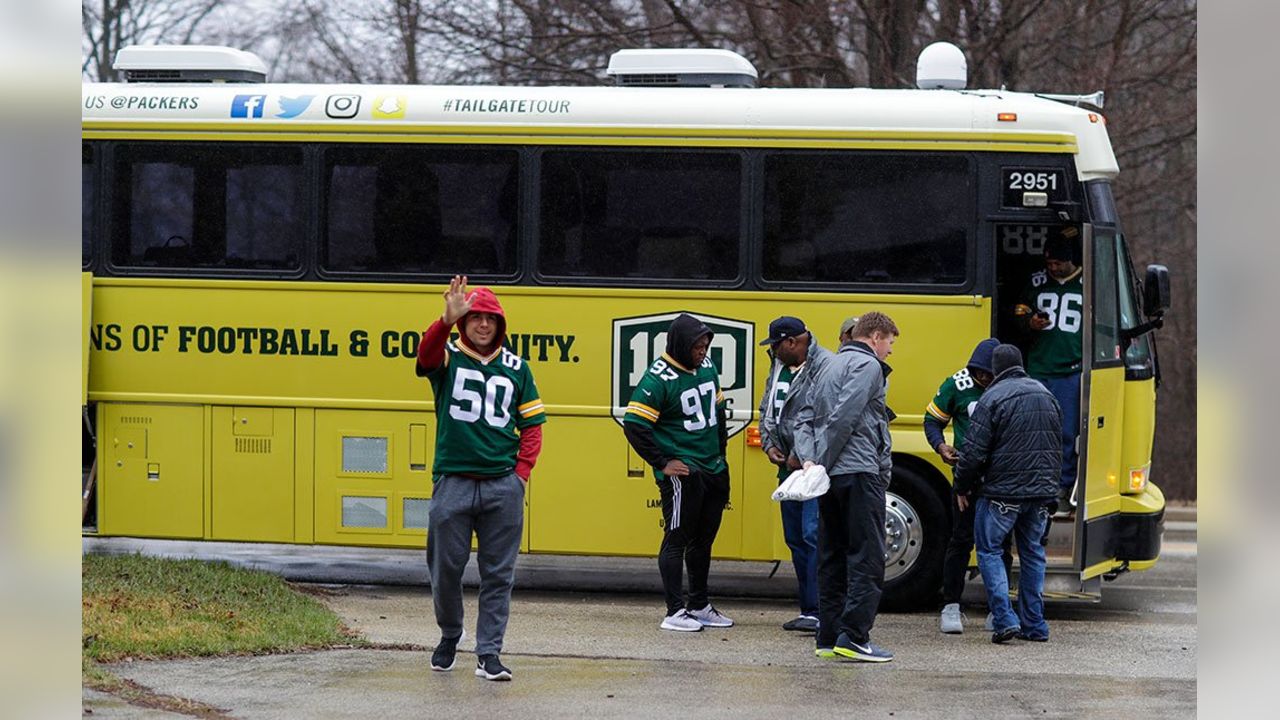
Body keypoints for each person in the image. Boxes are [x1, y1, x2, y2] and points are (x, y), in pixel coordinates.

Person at [417, 275, 546, 681]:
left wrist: (521, 475)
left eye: (490, 318)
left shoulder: (518, 368)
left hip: (501, 485)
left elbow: (533, 426)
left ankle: (489, 652)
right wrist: (443, 320)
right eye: (475, 318)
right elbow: (425, 356)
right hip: (453, 481)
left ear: (501, 324)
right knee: (445, 569)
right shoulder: (449, 358)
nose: (483, 325)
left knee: (498, 574)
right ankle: (450, 635)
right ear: (464, 322)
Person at [797, 311, 899, 663]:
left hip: (830, 480)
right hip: (858, 472)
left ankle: (827, 637)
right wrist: (822, 460)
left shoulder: (825, 365)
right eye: (889, 342)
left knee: (831, 557)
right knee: (867, 557)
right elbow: (845, 416)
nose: (889, 351)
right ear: (874, 337)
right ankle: (855, 637)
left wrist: (811, 463)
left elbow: (804, 418)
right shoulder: (868, 368)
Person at [622, 313, 734, 632]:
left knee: (704, 539)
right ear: (680, 344)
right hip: (684, 470)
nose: (702, 350)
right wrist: (663, 461)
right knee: (677, 538)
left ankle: (699, 604)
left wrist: (722, 454)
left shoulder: (707, 366)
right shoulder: (658, 378)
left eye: (705, 344)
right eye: (697, 345)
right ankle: (674, 610)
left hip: (713, 465)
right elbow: (634, 425)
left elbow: (718, 412)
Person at [954, 344, 1061, 643]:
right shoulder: (1046, 394)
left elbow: (974, 453)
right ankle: (1035, 624)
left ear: (996, 369)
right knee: (1033, 555)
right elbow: (1056, 448)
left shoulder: (992, 398)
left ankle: (1004, 619)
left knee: (988, 550)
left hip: (1002, 493)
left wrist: (962, 485)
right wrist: (1051, 492)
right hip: (1040, 494)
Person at [924, 338, 1014, 634]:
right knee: (961, 539)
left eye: (990, 374)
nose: (986, 379)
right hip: (968, 475)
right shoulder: (957, 384)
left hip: (1001, 478)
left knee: (1001, 545)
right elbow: (932, 419)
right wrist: (940, 446)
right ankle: (951, 605)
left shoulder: (1008, 387)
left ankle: (996, 607)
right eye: (981, 373)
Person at [756, 316, 834, 633]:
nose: (772, 352)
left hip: (812, 469)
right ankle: (809, 609)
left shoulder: (823, 367)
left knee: (814, 536)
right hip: (787, 471)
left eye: (775, 345)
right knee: (796, 540)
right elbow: (767, 409)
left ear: (791, 342)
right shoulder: (779, 367)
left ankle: (822, 610)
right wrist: (768, 444)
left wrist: (801, 455)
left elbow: (824, 418)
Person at [1014, 228, 1083, 513]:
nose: (1053, 267)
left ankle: (1062, 487)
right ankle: (1030, 486)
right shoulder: (1037, 282)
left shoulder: (1087, 282)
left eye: (1058, 263)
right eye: (1049, 262)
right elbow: (1018, 310)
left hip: (1071, 369)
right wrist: (1030, 322)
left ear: (1070, 260)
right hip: (1039, 367)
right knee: (1032, 430)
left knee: (1066, 432)